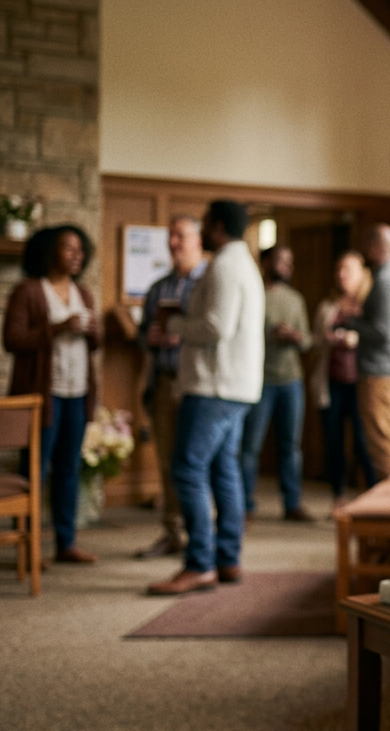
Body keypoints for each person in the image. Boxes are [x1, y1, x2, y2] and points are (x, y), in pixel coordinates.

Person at [148, 200, 264, 595]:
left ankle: (199, 563)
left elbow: (216, 326)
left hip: (214, 386)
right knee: (223, 471)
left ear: (216, 227)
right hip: (235, 385)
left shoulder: (226, 265)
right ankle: (227, 559)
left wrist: (176, 322)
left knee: (186, 467)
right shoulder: (242, 263)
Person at [3, 225, 102, 566]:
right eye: (68, 248)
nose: (77, 255)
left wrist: (93, 332)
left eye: (80, 249)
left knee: (69, 468)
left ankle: (66, 542)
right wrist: (60, 327)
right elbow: (12, 341)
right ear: (49, 251)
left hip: (77, 392)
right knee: (33, 469)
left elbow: (93, 343)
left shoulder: (84, 293)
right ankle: (28, 545)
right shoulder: (28, 291)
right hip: (42, 396)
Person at [134, 215, 207, 558]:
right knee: (167, 461)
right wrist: (148, 337)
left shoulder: (208, 284)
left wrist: (184, 334)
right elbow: (141, 333)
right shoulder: (158, 288)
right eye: (171, 237)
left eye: (180, 236)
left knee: (196, 463)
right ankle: (172, 532)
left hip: (198, 386)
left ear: (198, 240)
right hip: (164, 383)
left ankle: (202, 536)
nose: (173, 243)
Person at [239, 243, 313, 521]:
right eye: (281, 261)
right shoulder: (254, 295)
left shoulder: (295, 299)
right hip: (260, 380)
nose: (287, 267)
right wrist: (270, 335)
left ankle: (292, 503)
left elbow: (307, 340)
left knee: (290, 446)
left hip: (291, 381)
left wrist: (294, 336)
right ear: (266, 262)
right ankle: (245, 505)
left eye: (290, 262)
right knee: (250, 447)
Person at [311, 250, 378, 506]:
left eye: (348, 270)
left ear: (362, 273)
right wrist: (327, 340)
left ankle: (375, 497)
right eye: (339, 269)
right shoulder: (328, 306)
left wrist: (356, 340)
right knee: (334, 442)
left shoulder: (369, 305)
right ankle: (338, 498)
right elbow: (315, 341)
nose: (342, 275)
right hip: (332, 382)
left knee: (364, 443)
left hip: (362, 383)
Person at [346, 223, 390, 477]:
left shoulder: (386, 279)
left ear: (374, 246)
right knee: (388, 440)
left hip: (382, 371)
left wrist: (351, 322)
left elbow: (384, 332)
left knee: (385, 444)